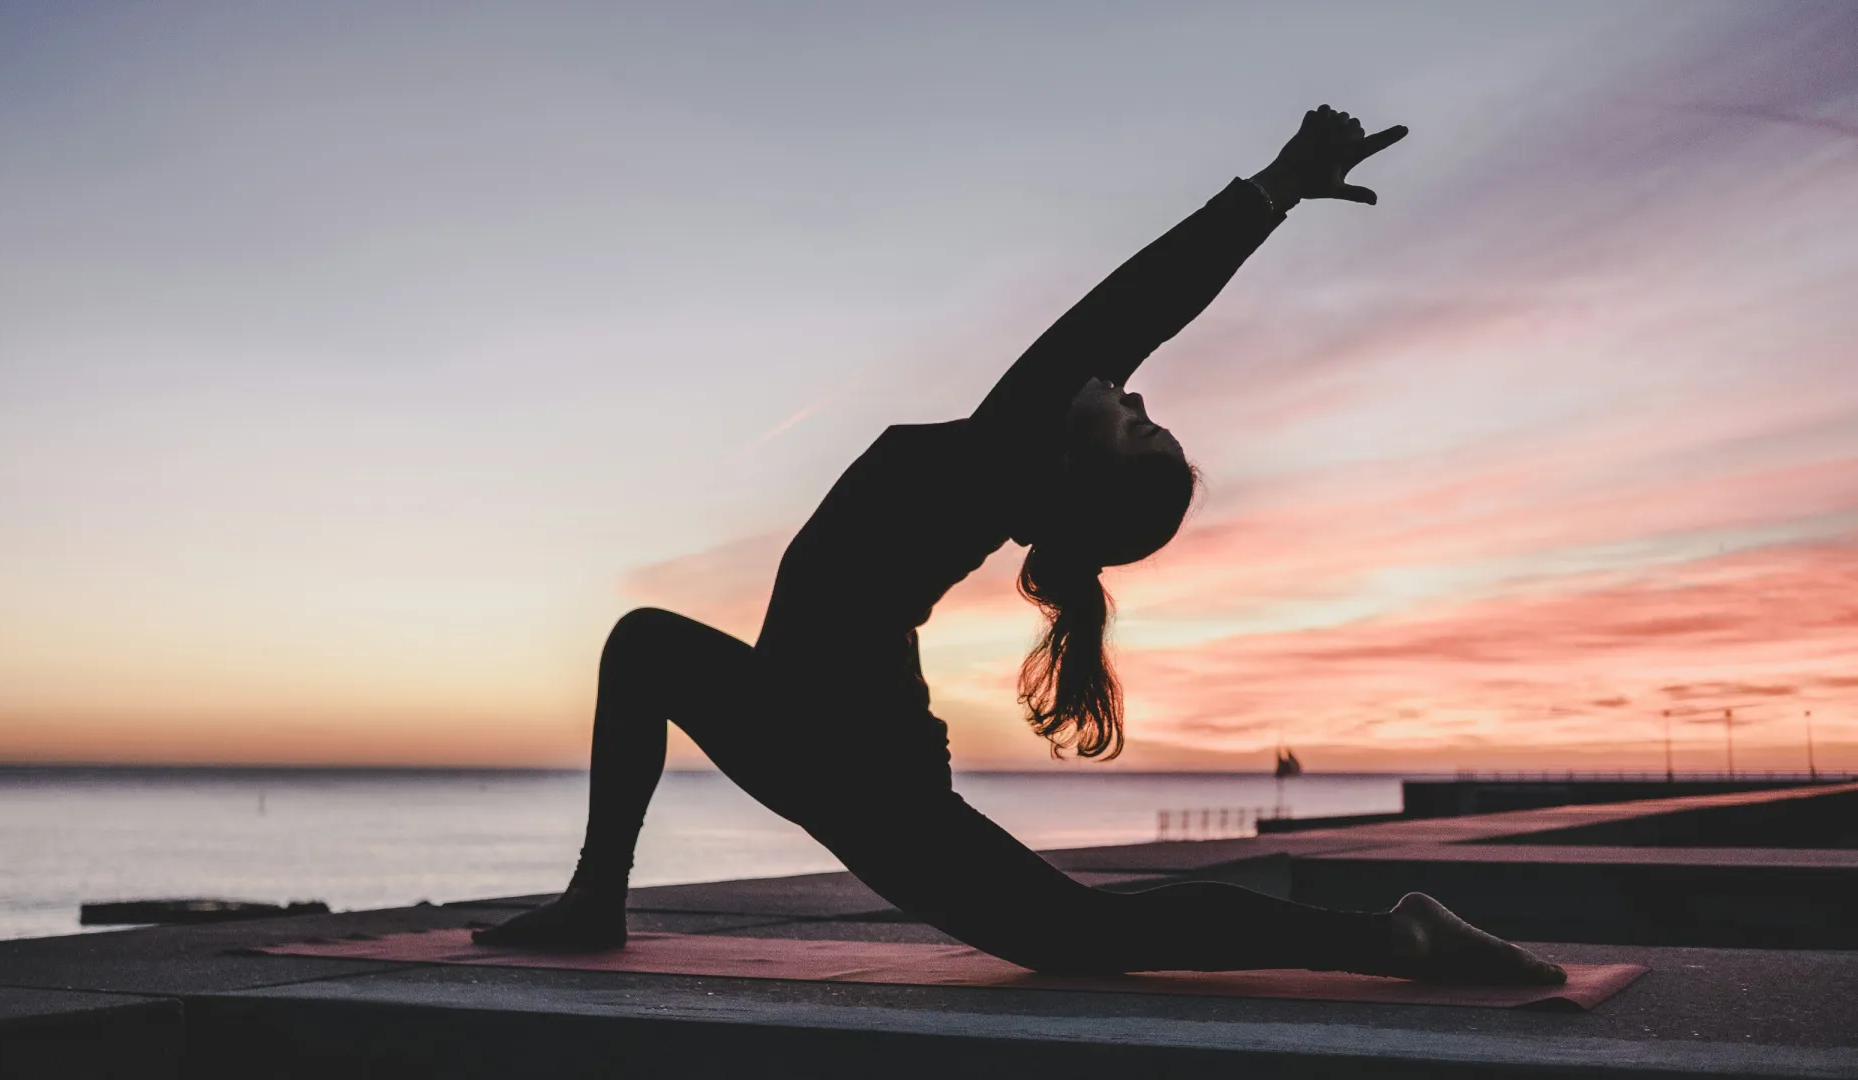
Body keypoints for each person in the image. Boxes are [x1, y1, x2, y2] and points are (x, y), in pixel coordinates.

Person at [477, 106, 1565, 984]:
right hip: (804, 725)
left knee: (1083, 943)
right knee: (645, 645)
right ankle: (596, 898)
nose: (1129, 389)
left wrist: (1274, 188)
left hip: (854, 763)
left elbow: (1135, 305)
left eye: (1136, 422)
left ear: (1077, 475)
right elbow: (1127, 327)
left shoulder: (1007, 454)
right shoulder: (1002, 468)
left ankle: (1391, 937)